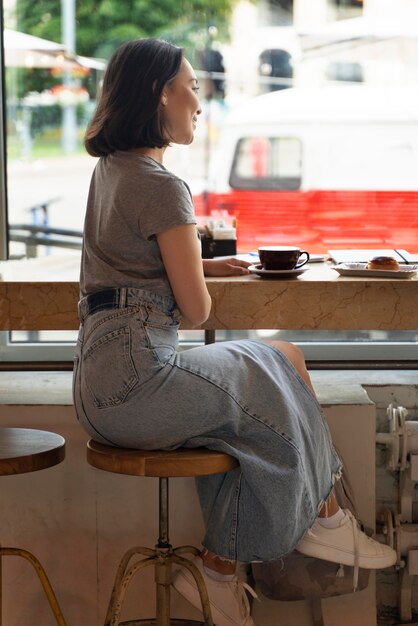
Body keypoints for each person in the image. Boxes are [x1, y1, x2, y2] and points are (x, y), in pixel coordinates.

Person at [72, 38, 396, 626]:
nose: (200, 100)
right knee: (277, 360)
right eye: (192, 85)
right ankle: (324, 521)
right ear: (159, 93)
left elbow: (128, 268)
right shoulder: (159, 183)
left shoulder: (111, 170)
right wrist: (196, 275)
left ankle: (223, 572)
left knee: (260, 392)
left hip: (98, 387)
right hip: (141, 381)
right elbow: (196, 313)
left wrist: (197, 261)